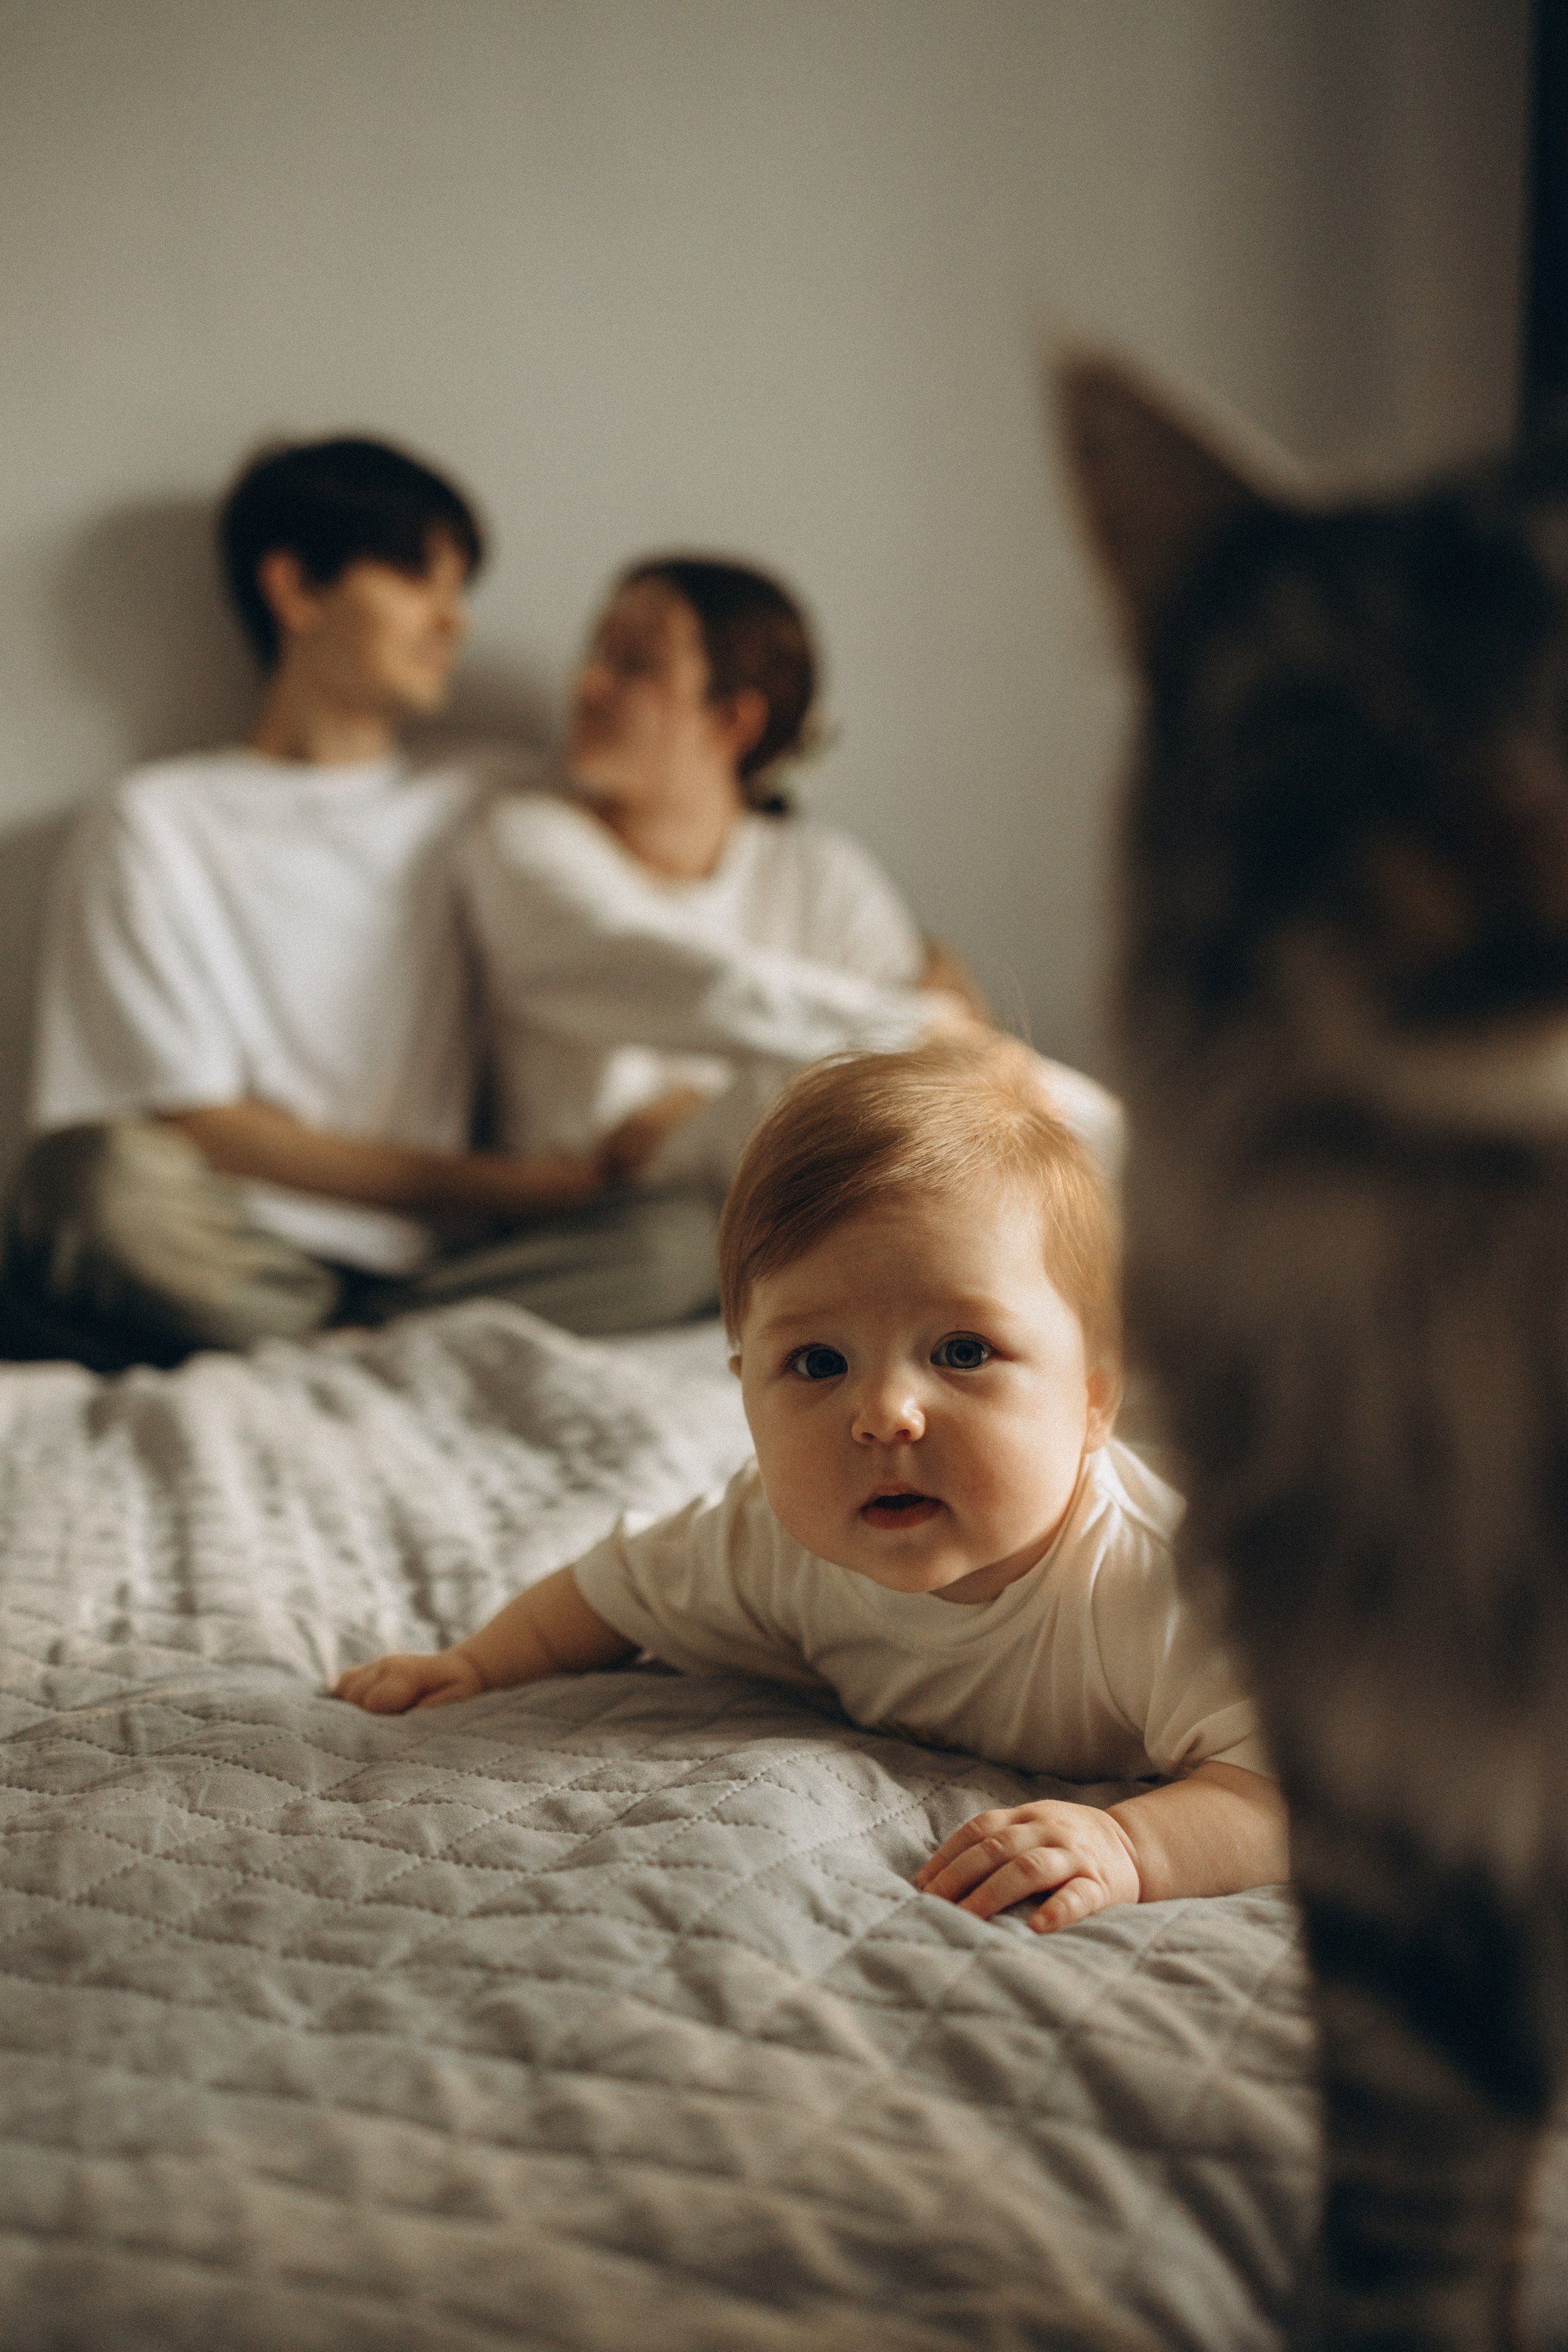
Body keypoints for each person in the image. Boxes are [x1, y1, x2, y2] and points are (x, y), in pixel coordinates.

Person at [336, 1044, 1284, 1934]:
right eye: (818, 1362)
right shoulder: (769, 1541)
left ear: (1091, 1402)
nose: (884, 1415)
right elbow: (609, 1592)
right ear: (745, 1388)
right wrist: (477, 1665)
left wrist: (1131, 1843)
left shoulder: (1151, 1585)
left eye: (962, 1352)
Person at [1, 437, 712, 1371]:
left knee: (697, 1236)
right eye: (422, 580)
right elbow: (195, 1124)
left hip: (459, 1268)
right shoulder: (156, 823)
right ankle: (377, 1348)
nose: (453, 623)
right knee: (82, 1180)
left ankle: (361, 1346)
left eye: (461, 592)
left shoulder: (490, 798)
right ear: (297, 591)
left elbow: (696, 859)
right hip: (239, 1251)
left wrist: (914, 966)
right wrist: (517, 1188)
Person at [454, 556, 1119, 1195]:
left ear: (734, 720)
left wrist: (930, 1036)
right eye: (595, 653)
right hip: (609, 1219)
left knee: (1010, 1114)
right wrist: (920, 1026)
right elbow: (661, 977)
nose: (586, 684)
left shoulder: (819, 869)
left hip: (802, 1188)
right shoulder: (523, 838)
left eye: (632, 664)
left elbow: (915, 1076)